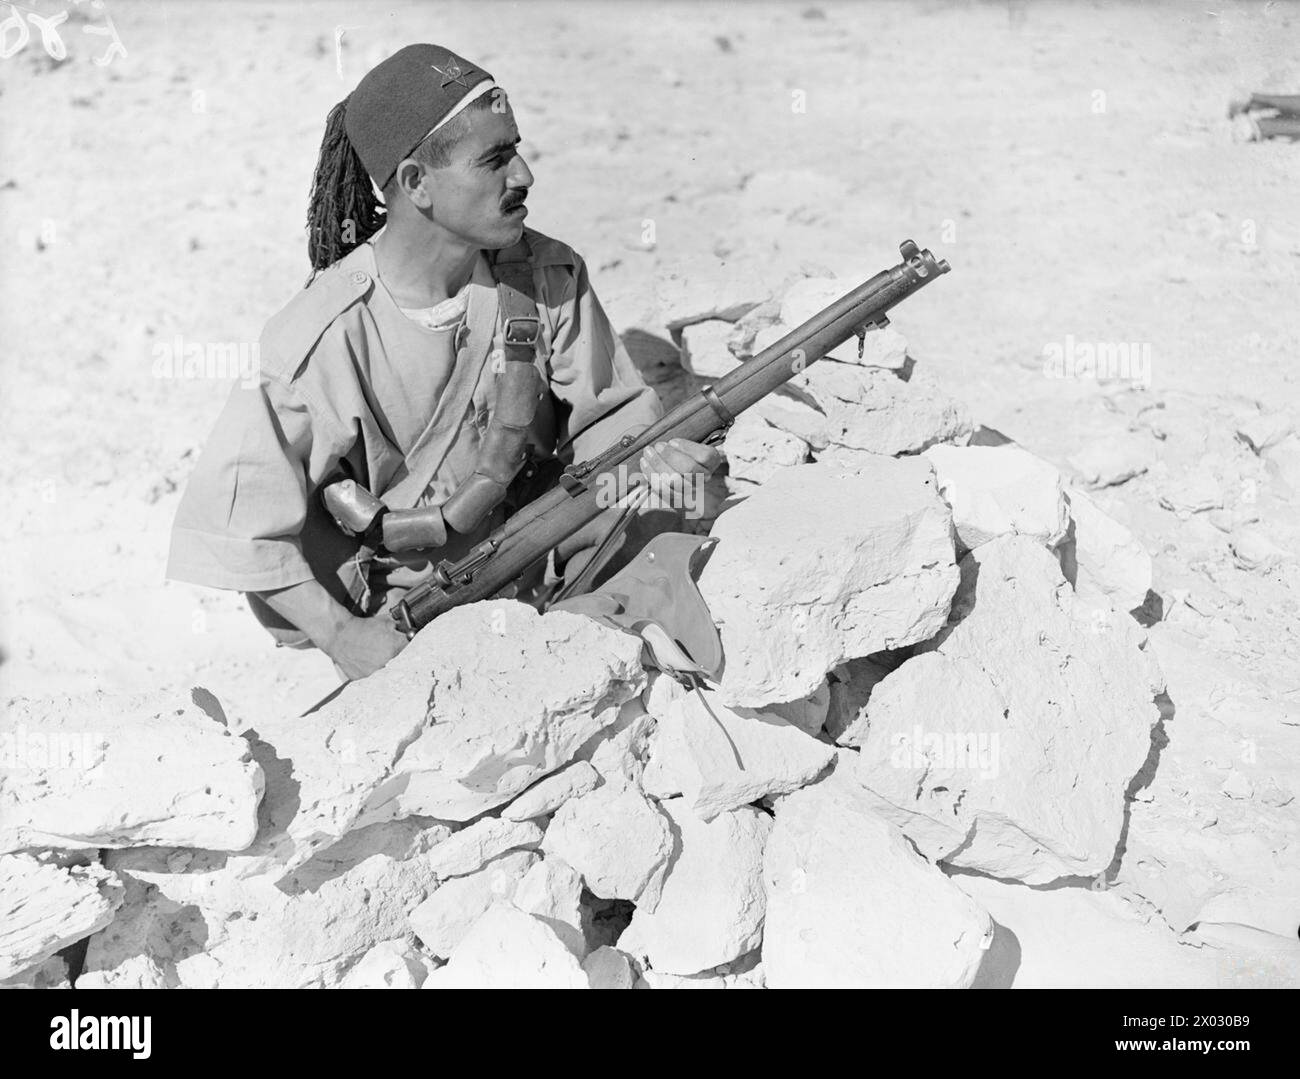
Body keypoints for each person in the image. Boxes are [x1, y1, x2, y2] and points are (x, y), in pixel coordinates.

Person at [167, 43, 721, 680]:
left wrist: (659, 463)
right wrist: (344, 636)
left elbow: (610, 427)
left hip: (552, 565)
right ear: (415, 184)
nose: (524, 176)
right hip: (416, 620)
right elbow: (242, 525)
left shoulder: (548, 275)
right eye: (494, 159)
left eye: (515, 148)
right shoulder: (317, 338)